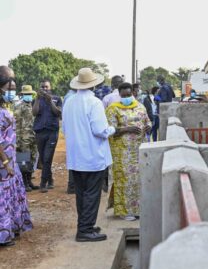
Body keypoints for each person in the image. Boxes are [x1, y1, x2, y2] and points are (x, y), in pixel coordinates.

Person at [63, 67, 115, 242]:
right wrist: (113, 129)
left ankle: (85, 224)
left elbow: (65, 127)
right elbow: (100, 130)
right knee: (92, 193)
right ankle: (85, 230)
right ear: (94, 85)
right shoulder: (94, 103)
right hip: (93, 155)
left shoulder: (69, 102)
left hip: (76, 156)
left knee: (81, 193)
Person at [106, 82, 151, 221]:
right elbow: (109, 130)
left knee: (138, 179)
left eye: (128, 94)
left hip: (138, 151)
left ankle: (138, 209)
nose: (126, 97)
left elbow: (147, 121)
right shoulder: (113, 109)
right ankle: (125, 211)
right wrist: (127, 129)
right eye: (123, 95)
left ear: (133, 93)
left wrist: (148, 127)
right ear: (119, 95)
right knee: (125, 180)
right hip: (122, 152)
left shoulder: (140, 106)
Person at [0, 66, 33, 247]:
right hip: (3, 162)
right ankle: (3, 235)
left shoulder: (5, 107)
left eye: (13, 89)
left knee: (11, 194)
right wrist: (5, 163)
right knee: (2, 198)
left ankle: (12, 227)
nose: (12, 92)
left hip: (10, 160)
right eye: (9, 89)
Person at [32, 79, 62, 193]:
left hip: (52, 132)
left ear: (50, 87)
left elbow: (58, 113)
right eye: (42, 87)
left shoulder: (57, 98)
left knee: (47, 157)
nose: (44, 89)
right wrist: (38, 99)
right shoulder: (37, 99)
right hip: (40, 131)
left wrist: (51, 102)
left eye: (46, 87)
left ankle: (43, 183)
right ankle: (50, 179)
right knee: (44, 158)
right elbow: (34, 113)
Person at [14, 85, 39, 192]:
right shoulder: (19, 106)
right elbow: (16, 123)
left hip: (33, 137)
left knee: (32, 159)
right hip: (23, 138)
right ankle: (24, 182)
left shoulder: (32, 105)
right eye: (26, 94)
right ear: (22, 95)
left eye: (29, 94)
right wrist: (17, 139)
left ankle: (29, 181)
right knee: (24, 160)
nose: (28, 96)